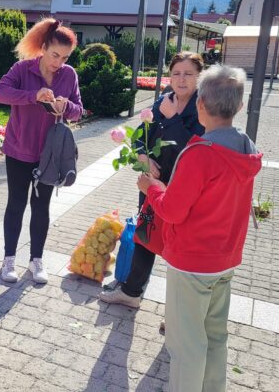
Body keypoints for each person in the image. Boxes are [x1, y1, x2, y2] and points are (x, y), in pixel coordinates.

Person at [137, 65, 262, 392]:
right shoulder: (245, 146)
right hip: (225, 259)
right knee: (215, 337)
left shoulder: (199, 154)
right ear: (238, 106)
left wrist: (152, 187)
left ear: (201, 105)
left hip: (191, 262)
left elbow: (172, 212)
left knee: (186, 345)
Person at [99, 52, 204, 309]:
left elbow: (195, 147)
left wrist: (172, 118)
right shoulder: (162, 102)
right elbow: (139, 138)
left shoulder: (204, 106)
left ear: (199, 76)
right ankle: (132, 291)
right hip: (151, 183)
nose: (181, 79)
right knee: (145, 235)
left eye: (188, 74)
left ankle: (180, 310)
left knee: (180, 243)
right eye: (176, 73)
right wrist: (143, 157)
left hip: (182, 187)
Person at [0, 18, 83, 284]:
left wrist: (65, 107)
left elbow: (79, 111)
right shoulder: (23, 69)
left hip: (50, 155)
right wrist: (33, 96)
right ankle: (9, 259)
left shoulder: (69, 75)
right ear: (43, 47)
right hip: (19, 149)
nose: (59, 62)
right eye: (55, 54)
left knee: (41, 206)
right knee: (16, 205)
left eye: (65, 57)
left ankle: (36, 260)